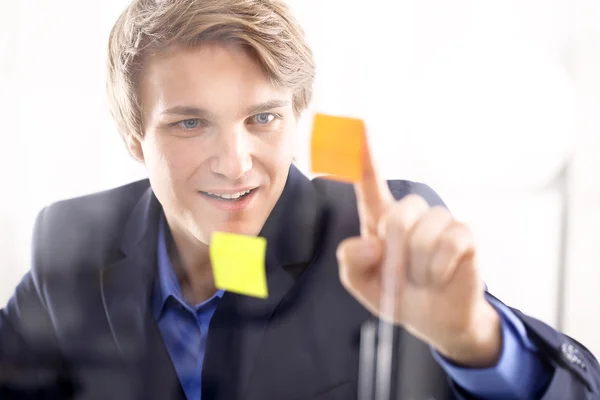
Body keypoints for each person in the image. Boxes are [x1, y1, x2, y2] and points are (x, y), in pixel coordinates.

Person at [0, 0, 598, 398]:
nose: (235, 162)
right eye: (189, 124)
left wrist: (473, 339)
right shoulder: (72, 240)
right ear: (135, 138)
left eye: (262, 117)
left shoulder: (374, 236)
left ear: (296, 116)